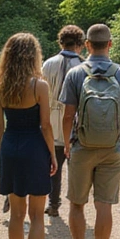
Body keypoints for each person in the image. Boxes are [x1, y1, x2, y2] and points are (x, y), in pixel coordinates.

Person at [61, 23, 120, 239]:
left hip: (82, 146)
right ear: (110, 45)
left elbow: (68, 114)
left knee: (77, 204)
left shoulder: (75, 74)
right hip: (112, 147)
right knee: (104, 205)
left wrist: (69, 143)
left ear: (88, 45)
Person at [0, 33, 58, 239]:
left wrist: (3, 151)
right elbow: (45, 125)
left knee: (17, 215)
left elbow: (0, 126)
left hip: (10, 146)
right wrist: (52, 154)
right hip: (34, 148)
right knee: (37, 215)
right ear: (34, 56)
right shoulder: (39, 86)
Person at [41, 24, 85, 218]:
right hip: (75, 123)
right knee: (75, 167)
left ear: (60, 42)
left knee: (53, 165)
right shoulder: (84, 66)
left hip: (50, 121)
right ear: (80, 44)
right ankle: (76, 206)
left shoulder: (48, 64)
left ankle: (54, 204)